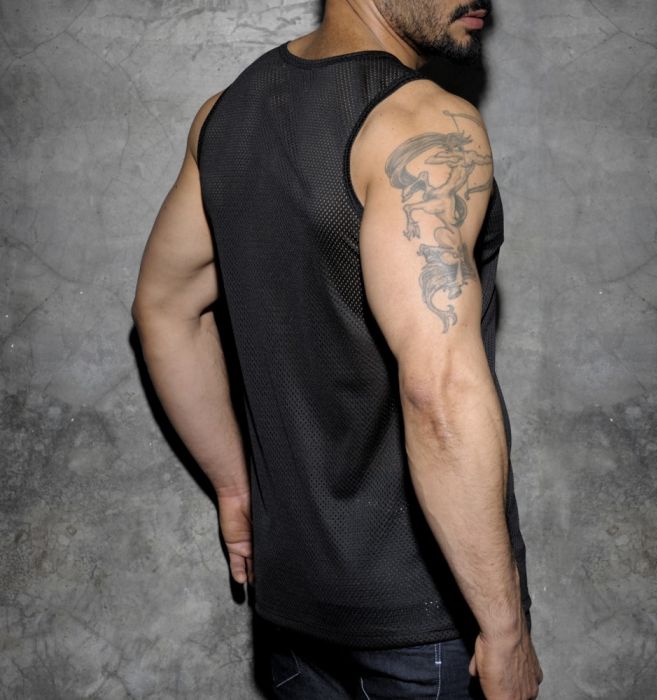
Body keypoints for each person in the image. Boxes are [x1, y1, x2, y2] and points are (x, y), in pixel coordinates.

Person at [131, 0, 544, 697]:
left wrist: (235, 490)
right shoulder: (426, 125)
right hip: (424, 617)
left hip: (294, 604)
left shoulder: (228, 114)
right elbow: (439, 390)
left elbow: (165, 308)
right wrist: (503, 628)